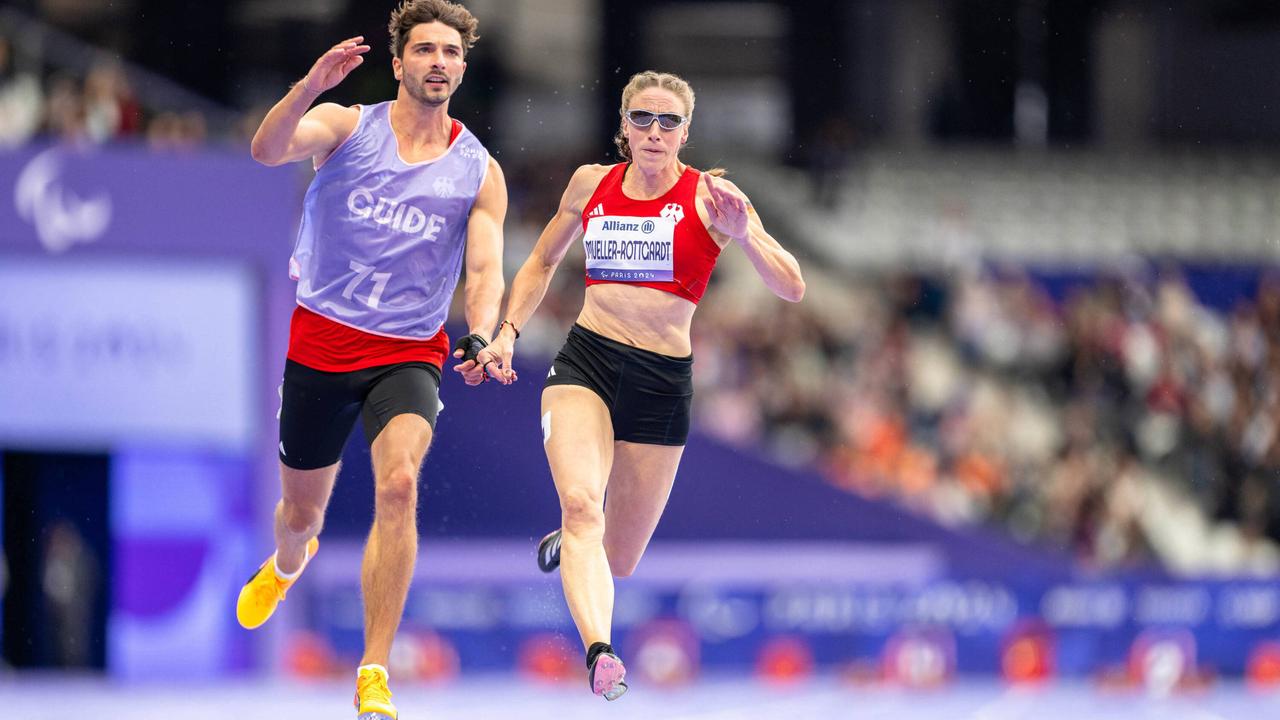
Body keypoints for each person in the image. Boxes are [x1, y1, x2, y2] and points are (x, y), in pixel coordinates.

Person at [478, 70, 805, 700]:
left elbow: (791, 285)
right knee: (581, 505)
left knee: (618, 557)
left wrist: (746, 237)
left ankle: (572, 541)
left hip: (662, 381)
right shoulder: (591, 184)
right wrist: (508, 331)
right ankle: (601, 651)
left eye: (669, 121)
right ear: (624, 127)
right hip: (587, 363)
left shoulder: (714, 197)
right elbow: (543, 261)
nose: (655, 132)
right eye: (642, 119)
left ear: (687, 131)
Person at [236, 2, 506, 718]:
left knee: (400, 483)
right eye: (424, 49)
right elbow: (266, 151)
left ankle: (374, 669)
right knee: (300, 514)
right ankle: (288, 565)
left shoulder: (478, 169)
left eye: (451, 51)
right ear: (399, 63)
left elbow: (483, 271)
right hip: (322, 340)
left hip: (409, 351)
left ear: (463, 66)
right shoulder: (348, 126)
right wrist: (309, 86)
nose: (438, 61)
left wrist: (483, 331)